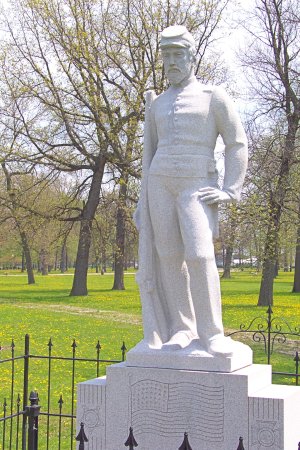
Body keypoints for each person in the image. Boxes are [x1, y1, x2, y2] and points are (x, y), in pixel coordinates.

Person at [134, 25, 248, 357]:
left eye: (177, 55)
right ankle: (182, 328)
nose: (171, 62)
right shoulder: (157, 104)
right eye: (166, 55)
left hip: (197, 184)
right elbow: (148, 156)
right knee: (168, 257)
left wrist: (230, 190)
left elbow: (236, 143)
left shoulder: (214, 97)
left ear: (190, 56)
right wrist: (143, 202)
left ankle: (212, 332)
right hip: (159, 183)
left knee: (199, 255)